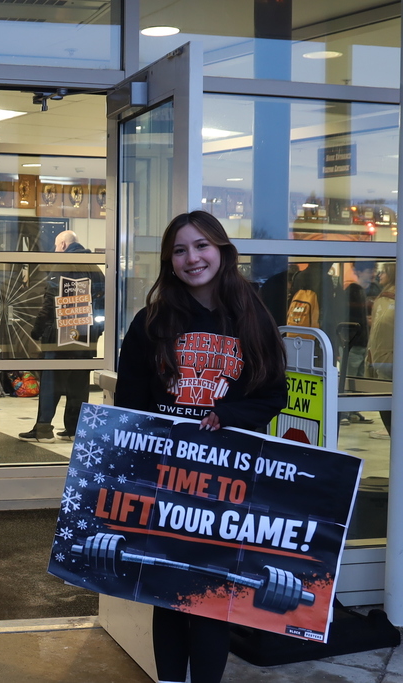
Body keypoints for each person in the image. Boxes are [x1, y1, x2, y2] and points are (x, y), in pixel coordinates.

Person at [114, 211, 287, 683]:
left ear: (222, 251)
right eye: (180, 250)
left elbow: (275, 393)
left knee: (213, 597)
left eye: (202, 246)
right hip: (165, 479)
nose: (192, 258)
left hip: (225, 479)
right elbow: (128, 404)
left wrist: (227, 415)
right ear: (170, 261)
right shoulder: (149, 323)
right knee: (166, 592)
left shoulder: (252, 315)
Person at [19, 230, 103, 443]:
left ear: (64, 245)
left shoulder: (62, 265)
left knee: (50, 384)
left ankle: (43, 429)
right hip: (85, 339)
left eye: (56, 246)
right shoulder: (94, 267)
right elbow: (104, 303)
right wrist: (96, 332)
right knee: (79, 384)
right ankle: (74, 429)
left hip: (59, 338)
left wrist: (37, 330)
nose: (55, 250)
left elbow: (49, 303)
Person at [338, 261, 376, 425]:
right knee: (349, 377)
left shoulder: (365, 291)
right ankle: (345, 411)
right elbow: (347, 317)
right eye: (369, 271)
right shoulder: (352, 290)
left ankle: (353, 410)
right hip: (352, 342)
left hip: (361, 342)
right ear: (359, 272)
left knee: (359, 377)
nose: (372, 274)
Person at [367, 263, 395, 439]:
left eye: (383, 271)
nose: (379, 275)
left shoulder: (391, 297)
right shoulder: (383, 297)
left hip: (389, 357)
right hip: (380, 357)